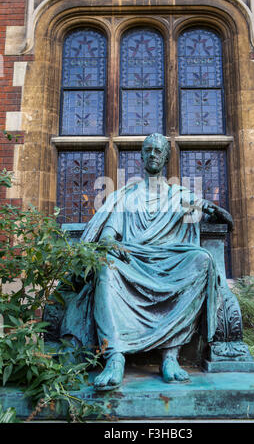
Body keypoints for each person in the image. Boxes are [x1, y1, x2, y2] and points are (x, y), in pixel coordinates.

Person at [57, 133, 233, 391]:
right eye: (148, 150)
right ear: (141, 156)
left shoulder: (181, 196)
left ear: (166, 157)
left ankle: (170, 356)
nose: (152, 154)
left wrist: (212, 209)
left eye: (158, 151)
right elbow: (108, 235)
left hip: (169, 260)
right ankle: (114, 357)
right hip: (132, 260)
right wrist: (112, 244)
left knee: (202, 259)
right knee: (106, 265)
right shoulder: (126, 196)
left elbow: (225, 219)